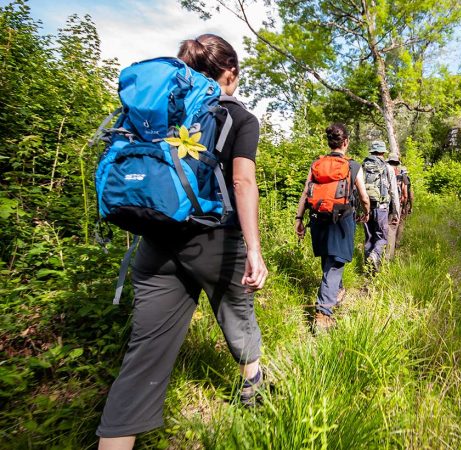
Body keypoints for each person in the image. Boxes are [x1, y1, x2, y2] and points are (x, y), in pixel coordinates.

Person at [97, 34, 268, 450]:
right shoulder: (238, 118)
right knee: (236, 313)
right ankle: (255, 392)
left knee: (144, 356)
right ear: (229, 73)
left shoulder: (160, 109)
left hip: (156, 240)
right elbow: (243, 181)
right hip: (214, 238)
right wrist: (255, 250)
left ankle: (116, 437)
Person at [295, 123, 370, 330]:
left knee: (329, 260)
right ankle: (322, 313)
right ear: (345, 142)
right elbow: (363, 196)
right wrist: (367, 211)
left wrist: (298, 219)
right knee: (335, 264)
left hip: (318, 218)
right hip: (342, 220)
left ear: (330, 142)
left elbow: (305, 192)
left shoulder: (317, 164)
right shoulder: (353, 166)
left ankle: (336, 293)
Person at [362, 141, 399, 273]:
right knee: (382, 237)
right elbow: (394, 192)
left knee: (369, 237)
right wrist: (396, 212)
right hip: (382, 207)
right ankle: (375, 255)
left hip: (365, 207)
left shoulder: (363, 166)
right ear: (383, 152)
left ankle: (367, 270)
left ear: (372, 152)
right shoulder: (388, 168)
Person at [385, 155, 413, 260]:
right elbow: (405, 194)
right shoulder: (402, 176)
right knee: (393, 228)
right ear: (397, 163)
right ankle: (390, 254)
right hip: (396, 205)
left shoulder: (385, 172)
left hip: (383, 204)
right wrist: (404, 207)